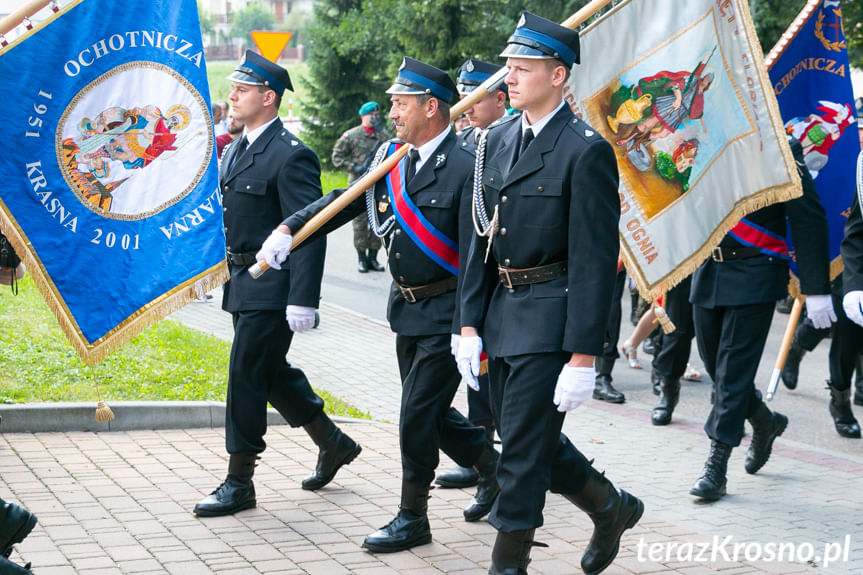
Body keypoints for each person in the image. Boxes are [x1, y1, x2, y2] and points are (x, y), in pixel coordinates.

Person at [257, 57, 499, 552]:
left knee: (414, 416)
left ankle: (413, 517)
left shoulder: (466, 163)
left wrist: (467, 325)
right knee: (430, 414)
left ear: (431, 107)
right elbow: (345, 200)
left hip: (448, 314)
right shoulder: (392, 157)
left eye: (401, 103)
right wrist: (289, 230)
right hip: (407, 311)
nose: (392, 111)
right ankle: (497, 469)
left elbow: (477, 254)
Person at [457, 13, 643, 574]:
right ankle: (610, 506)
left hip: (550, 317)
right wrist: (467, 324)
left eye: (522, 68)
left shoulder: (584, 150)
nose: (507, 78)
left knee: (517, 453)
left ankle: (508, 563)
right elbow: (480, 239)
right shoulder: (497, 139)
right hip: (501, 316)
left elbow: (592, 261)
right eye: (508, 68)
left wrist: (584, 355)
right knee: (523, 436)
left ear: (558, 75)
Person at [193, 50, 361, 518]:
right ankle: (333, 441)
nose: (232, 95)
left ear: (269, 98)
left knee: (246, 374)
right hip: (242, 283)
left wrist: (303, 299)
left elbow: (309, 229)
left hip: (274, 289)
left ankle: (239, 480)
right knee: (269, 373)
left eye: (242, 90)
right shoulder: (237, 148)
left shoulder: (291, 155)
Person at [688, 135, 833, 502]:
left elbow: (808, 218)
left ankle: (716, 466)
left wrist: (816, 289)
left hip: (756, 271)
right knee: (714, 366)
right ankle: (765, 422)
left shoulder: (781, 146)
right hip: (709, 269)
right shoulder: (702, 140)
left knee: (732, 373)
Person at [435, 57, 509, 491]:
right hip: (470, 282)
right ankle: (482, 461)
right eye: (461, 94)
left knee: (504, 379)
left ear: (499, 99)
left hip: (506, 283)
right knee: (474, 375)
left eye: (474, 96)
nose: (464, 105)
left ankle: (515, 462)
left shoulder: (508, 142)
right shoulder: (462, 147)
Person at [331, 101, 389, 273]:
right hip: (358, 185)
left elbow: (394, 145)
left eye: (377, 115)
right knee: (360, 223)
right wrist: (353, 168)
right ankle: (362, 259)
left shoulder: (382, 135)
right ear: (363, 116)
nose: (374, 118)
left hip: (380, 185)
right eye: (371, 115)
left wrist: (380, 130)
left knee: (379, 222)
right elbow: (337, 157)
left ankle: (373, 257)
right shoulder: (352, 135)